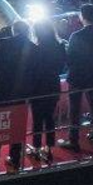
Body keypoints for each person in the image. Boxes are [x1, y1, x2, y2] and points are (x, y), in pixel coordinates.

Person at [0, 21, 32, 174]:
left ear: (13, 30)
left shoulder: (3, 43)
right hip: (21, 93)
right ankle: (15, 160)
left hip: (1, 91)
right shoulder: (33, 46)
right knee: (17, 127)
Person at [63, 4, 93, 150]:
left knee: (74, 108)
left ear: (82, 17)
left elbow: (70, 59)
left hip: (77, 75)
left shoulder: (76, 36)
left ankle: (73, 140)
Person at [27, 21, 66, 163]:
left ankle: (36, 148)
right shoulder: (59, 46)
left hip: (37, 87)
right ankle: (49, 148)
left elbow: (30, 69)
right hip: (53, 84)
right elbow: (62, 67)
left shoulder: (34, 49)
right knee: (50, 117)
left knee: (37, 119)